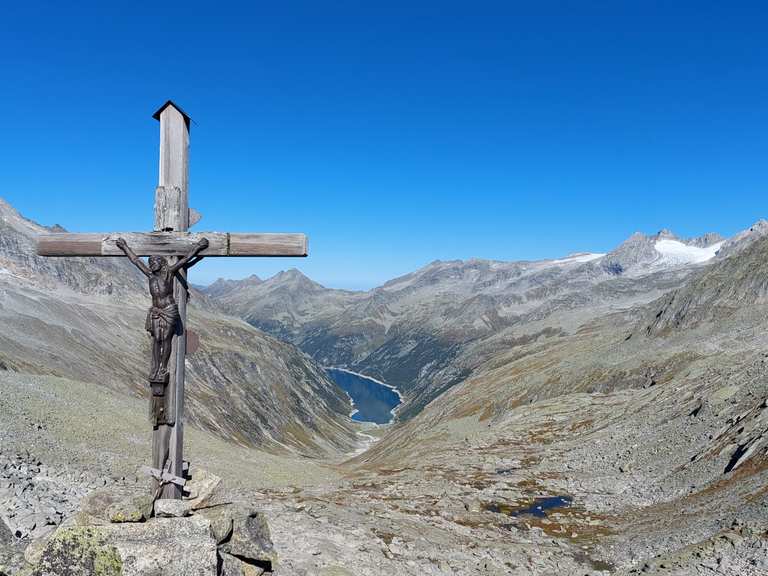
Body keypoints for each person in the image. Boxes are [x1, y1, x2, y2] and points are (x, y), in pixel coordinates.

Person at [116, 237, 209, 381]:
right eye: (150, 262)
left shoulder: (169, 273)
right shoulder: (150, 275)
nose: (151, 264)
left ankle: (163, 366)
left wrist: (198, 247)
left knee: (165, 339)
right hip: (155, 311)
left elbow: (184, 260)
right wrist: (124, 247)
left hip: (169, 310)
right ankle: (155, 366)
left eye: (154, 262)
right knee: (156, 339)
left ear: (161, 263)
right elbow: (135, 260)